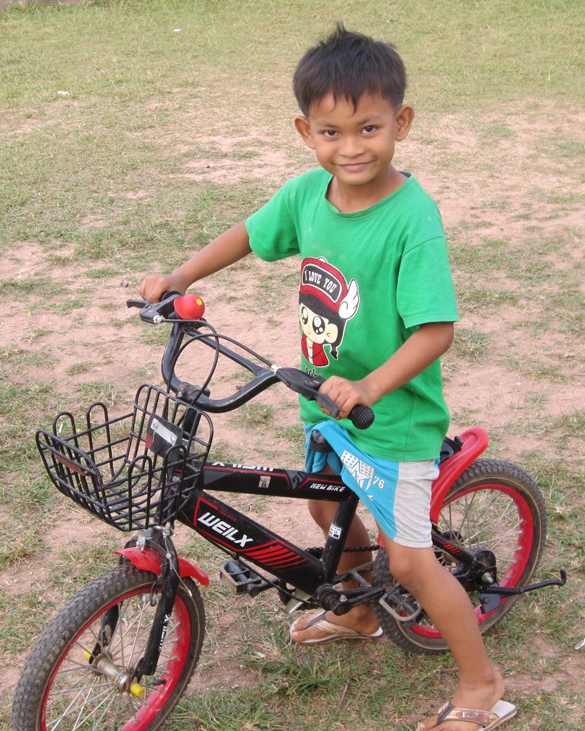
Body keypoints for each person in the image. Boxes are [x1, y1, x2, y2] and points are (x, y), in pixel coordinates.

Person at [140, 25, 516, 731]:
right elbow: (253, 233)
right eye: (331, 131)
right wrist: (182, 276)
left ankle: (481, 682)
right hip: (324, 402)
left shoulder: (412, 219)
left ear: (400, 123)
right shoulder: (309, 195)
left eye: (370, 127)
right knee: (324, 509)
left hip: (390, 418)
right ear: (305, 131)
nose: (351, 148)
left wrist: (371, 386)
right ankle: (358, 610)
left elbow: (437, 330)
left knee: (409, 560)